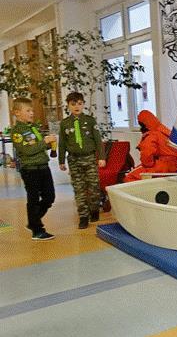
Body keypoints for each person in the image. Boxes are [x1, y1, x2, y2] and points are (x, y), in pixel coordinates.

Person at [10, 98, 57, 241]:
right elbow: (27, 150)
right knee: (33, 199)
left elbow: (40, 146)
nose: (32, 113)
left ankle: (32, 221)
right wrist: (44, 142)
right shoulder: (17, 132)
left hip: (43, 167)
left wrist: (49, 143)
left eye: (32, 110)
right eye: (28, 110)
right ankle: (37, 230)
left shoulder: (34, 127)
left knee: (49, 197)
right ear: (17, 113)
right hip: (30, 170)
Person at [58, 92, 106, 229]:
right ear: (68, 106)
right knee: (79, 189)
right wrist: (61, 160)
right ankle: (83, 217)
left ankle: (94, 209)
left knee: (94, 187)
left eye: (79, 104)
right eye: (73, 104)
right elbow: (62, 143)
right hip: (74, 160)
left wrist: (101, 157)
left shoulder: (90, 121)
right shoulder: (65, 123)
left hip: (89, 158)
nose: (77, 107)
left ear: (83, 104)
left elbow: (98, 140)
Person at [123, 110, 177, 182]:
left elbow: (147, 156)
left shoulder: (152, 135)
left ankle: (146, 189)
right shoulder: (164, 130)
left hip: (164, 165)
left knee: (129, 177)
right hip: (174, 166)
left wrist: (147, 165)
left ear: (143, 125)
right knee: (138, 169)